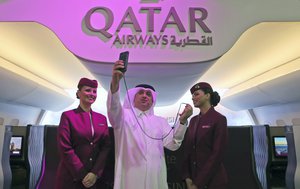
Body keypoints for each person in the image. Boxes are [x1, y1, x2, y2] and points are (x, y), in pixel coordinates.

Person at [107, 60, 193, 189]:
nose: (144, 96)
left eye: (148, 94)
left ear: (153, 100)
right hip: (130, 178)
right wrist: (115, 82)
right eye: (140, 92)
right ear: (132, 97)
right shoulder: (123, 116)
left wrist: (182, 122)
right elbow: (113, 107)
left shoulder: (160, 121)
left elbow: (173, 144)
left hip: (155, 179)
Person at [55, 78, 111, 189]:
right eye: (88, 90)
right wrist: (82, 174)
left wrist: (95, 173)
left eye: (94, 91)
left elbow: (106, 147)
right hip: (72, 176)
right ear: (78, 93)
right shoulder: (68, 116)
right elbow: (65, 148)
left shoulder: (102, 119)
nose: (92, 94)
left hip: (93, 178)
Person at [182, 82, 228, 189]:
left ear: (207, 96)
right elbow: (187, 151)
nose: (193, 98)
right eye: (192, 95)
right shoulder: (193, 120)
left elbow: (217, 154)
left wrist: (197, 183)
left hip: (213, 181)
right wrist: (187, 177)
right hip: (193, 180)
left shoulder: (219, 119)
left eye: (196, 94)